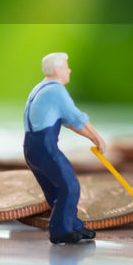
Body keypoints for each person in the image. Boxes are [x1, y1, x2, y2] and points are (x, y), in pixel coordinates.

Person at [23, 52, 108, 244]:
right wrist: (96, 138)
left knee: (55, 190)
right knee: (69, 186)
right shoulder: (56, 90)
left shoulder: (40, 87)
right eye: (66, 66)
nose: (69, 70)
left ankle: (73, 226)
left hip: (30, 147)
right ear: (57, 69)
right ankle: (60, 231)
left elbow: (67, 121)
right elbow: (75, 118)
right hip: (45, 146)